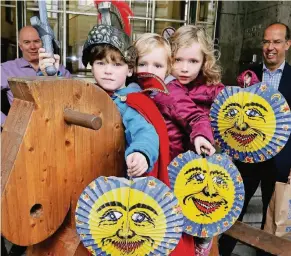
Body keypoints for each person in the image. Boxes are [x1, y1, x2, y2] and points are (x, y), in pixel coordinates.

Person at [134, 29, 224, 256]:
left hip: (186, 166)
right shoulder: (158, 84)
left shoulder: (170, 89)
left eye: (193, 61)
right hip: (169, 163)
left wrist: (203, 134)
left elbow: (195, 117)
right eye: (178, 60)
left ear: (204, 62)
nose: (184, 68)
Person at [219, 22, 291, 256]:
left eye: (277, 42)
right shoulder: (247, 73)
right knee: (235, 208)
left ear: (287, 45)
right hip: (247, 157)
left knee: (271, 215)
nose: (270, 47)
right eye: (266, 41)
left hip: (280, 162)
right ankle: (222, 251)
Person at [82, 24, 159, 177]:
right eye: (100, 63)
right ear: (92, 67)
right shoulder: (86, 93)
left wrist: (141, 152)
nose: (108, 71)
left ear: (129, 70)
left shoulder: (130, 102)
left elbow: (144, 131)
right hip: (85, 170)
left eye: (117, 64)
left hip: (116, 177)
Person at [1, 25, 71, 127]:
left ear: (43, 43)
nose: (32, 46)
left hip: (56, 128)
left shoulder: (58, 69)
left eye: (36, 41)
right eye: (27, 42)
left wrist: (56, 76)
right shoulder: (7, 69)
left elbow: (74, 97)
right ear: (20, 46)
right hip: (24, 131)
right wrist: (6, 122)